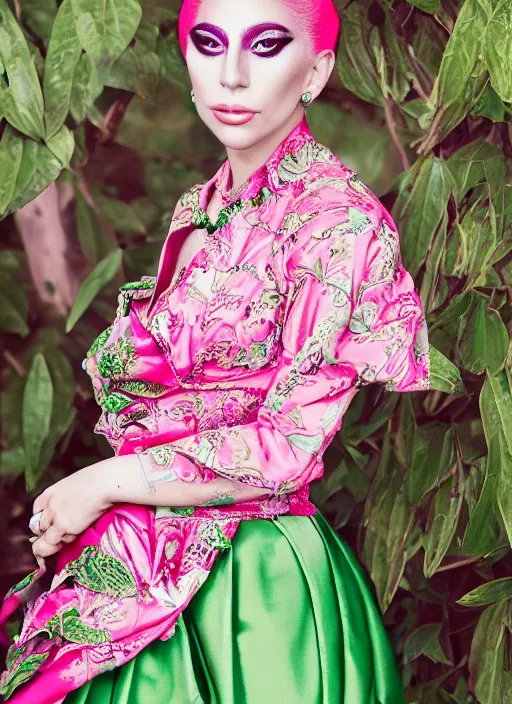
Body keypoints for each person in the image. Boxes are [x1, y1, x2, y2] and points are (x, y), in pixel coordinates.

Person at [0, 0, 430, 702]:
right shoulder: (202, 206)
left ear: (316, 70)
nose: (230, 75)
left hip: (255, 589)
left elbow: (287, 448)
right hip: (143, 558)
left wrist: (107, 481)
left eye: (265, 46)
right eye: (208, 43)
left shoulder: (338, 225)